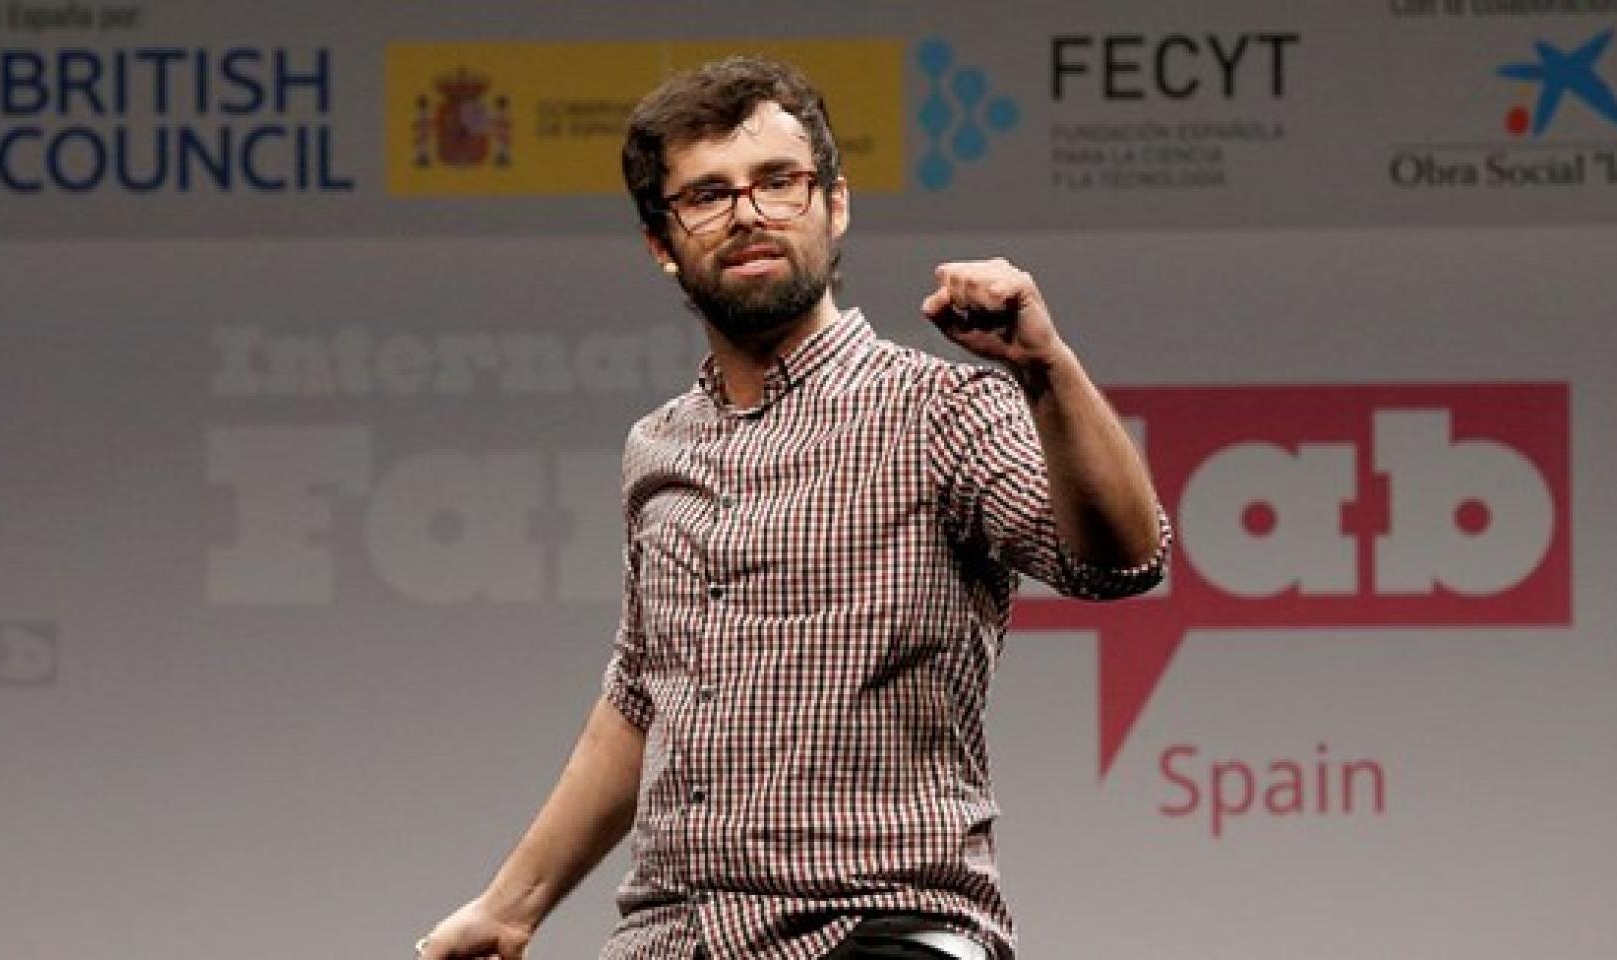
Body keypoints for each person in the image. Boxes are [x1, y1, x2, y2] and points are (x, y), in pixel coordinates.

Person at [417, 56, 1169, 960]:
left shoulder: (939, 408)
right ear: (663, 244)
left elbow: (1122, 560)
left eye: (779, 182)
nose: (748, 213)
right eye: (707, 195)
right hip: (672, 936)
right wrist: (510, 906)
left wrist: (1047, 370)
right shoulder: (658, 449)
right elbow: (641, 695)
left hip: (876, 921)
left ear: (834, 206)